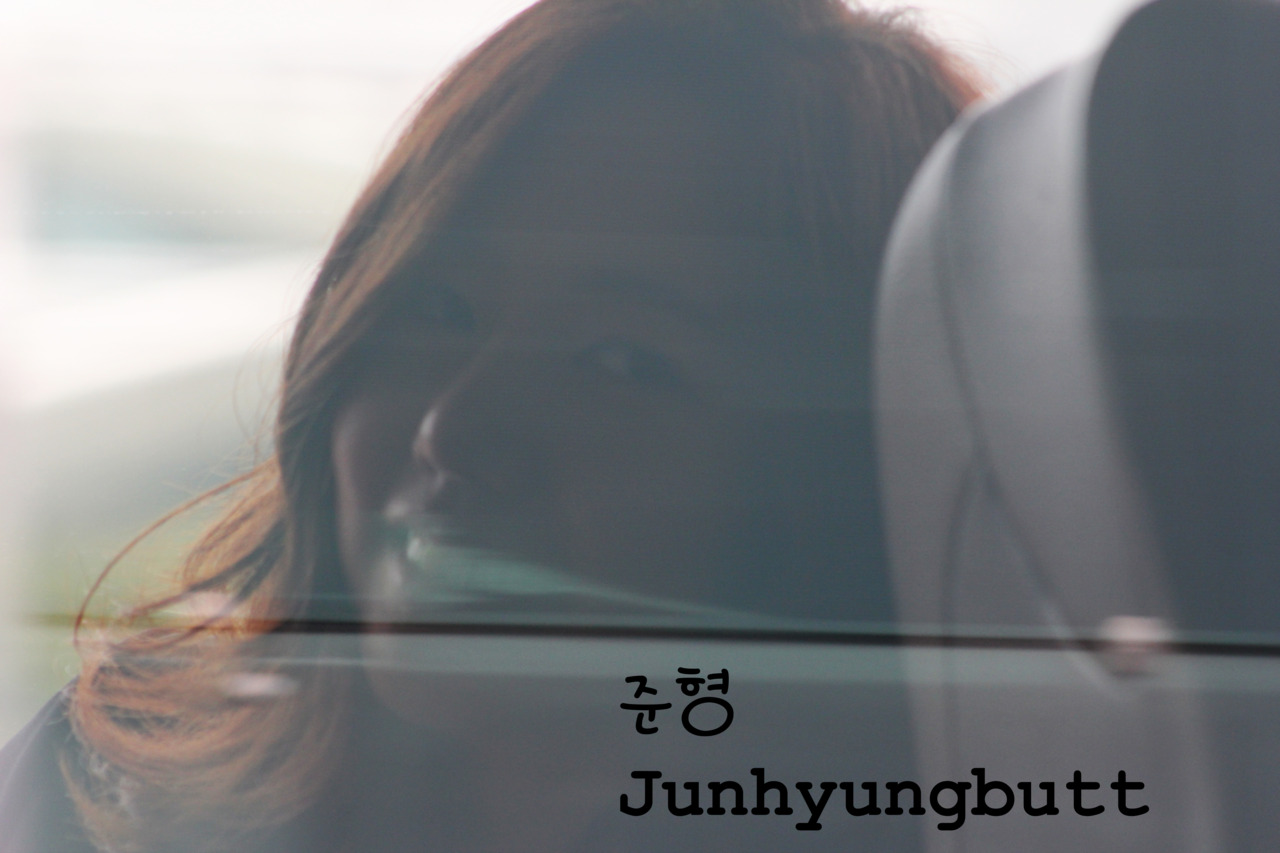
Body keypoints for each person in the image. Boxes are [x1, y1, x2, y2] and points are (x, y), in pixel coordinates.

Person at [0, 1, 979, 850]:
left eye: (620, 362)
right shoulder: (110, 782)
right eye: (440, 309)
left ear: (835, 474)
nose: (454, 431)